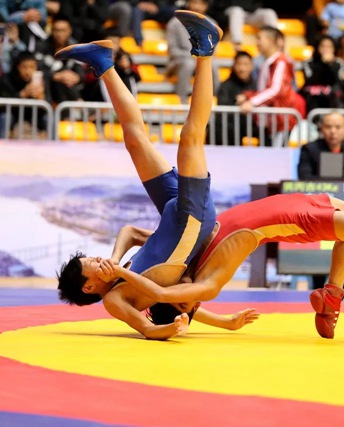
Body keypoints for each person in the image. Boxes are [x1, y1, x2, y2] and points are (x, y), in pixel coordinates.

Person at [56, 11, 223, 340]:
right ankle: (205, 50)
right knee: (190, 137)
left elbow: (131, 231)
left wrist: (116, 260)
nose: (97, 259)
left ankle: (103, 63)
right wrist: (172, 327)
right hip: (192, 218)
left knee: (134, 141)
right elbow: (147, 328)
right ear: (89, 286)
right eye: (90, 263)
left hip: (173, 215)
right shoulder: (116, 299)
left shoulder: (122, 270)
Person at [99, 190, 344, 340]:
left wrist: (116, 265)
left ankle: (332, 294)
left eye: (183, 298)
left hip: (291, 202)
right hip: (291, 217)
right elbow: (165, 297)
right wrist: (120, 274)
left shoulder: (183, 261)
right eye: (188, 302)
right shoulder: (207, 285)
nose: (187, 294)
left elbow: (137, 241)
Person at [237, 26, 304, 143]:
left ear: (272, 41)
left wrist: (251, 102)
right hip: (272, 122)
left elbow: (275, 90)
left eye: (259, 38)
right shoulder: (268, 62)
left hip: (281, 122)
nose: (256, 42)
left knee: (278, 153)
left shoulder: (281, 62)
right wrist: (248, 96)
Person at [165, 0, 219, 103]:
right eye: (194, 2)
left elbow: (213, 50)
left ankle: (214, 100)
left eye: (201, 3)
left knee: (214, 65)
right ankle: (181, 100)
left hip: (202, 59)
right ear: (188, 3)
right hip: (179, 61)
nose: (197, 7)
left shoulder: (212, 24)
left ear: (206, 6)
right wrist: (194, 55)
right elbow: (173, 51)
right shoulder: (175, 23)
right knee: (188, 64)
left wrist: (199, 57)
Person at [297, 112, 344, 180]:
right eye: (328, 127)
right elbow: (304, 177)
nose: (333, 131)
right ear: (321, 129)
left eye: (338, 127)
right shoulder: (309, 150)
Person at [215, 50, 261, 145]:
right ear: (234, 65)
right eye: (239, 64)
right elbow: (222, 111)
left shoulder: (257, 85)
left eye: (246, 64)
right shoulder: (225, 86)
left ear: (252, 66)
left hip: (250, 125)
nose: (242, 68)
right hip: (231, 129)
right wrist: (239, 105)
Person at [36, 15, 84, 103]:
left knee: (66, 80)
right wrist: (54, 76)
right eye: (56, 30)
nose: (59, 34)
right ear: (52, 31)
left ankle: (76, 105)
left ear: (69, 31)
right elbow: (37, 68)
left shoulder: (75, 49)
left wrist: (77, 77)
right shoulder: (42, 47)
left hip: (69, 86)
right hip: (48, 87)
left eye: (63, 30)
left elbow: (80, 70)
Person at [299, 35, 344, 112]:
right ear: (317, 48)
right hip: (312, 99)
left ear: (334, 49)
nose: (326, 49)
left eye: (329, 47)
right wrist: (323, 63)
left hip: (332, 99)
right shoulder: (308, 62)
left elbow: (339, 82)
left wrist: (330, 65)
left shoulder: (339, 63)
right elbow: (310, 81)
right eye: (323, 46)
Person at [210, 0, 278, 49]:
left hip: (250, 13)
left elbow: (257, 4)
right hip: (230, 14)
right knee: (237, 11)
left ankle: (276, 41)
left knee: (269, 13)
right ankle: (237, 44)